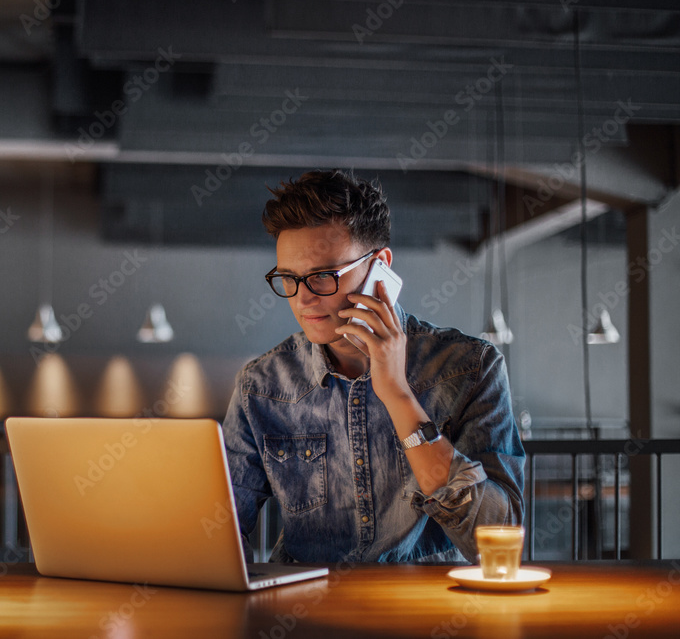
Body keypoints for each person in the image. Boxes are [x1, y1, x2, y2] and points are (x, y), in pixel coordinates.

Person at [222, 169, 525, 564]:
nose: (303, 299)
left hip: (426, 601)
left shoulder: (471, 368)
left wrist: (398, 395)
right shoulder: (261, 386)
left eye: (323, 276)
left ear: (379, 265)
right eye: (289, 278)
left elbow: (498, 539)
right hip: (306, 601)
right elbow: (218, 527)